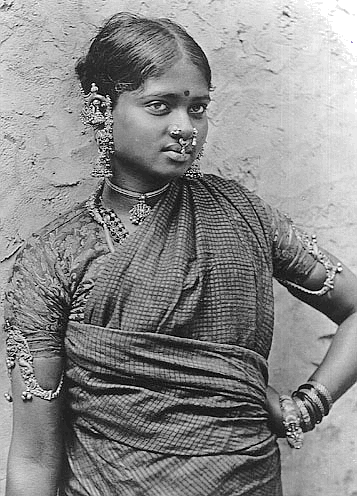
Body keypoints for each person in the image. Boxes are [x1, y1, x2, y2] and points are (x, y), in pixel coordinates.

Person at [3, 11, 357, 496]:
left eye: (197, 108)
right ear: (102, 108)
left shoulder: (243, 216)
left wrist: (309, 401)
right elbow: (34, 453)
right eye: (159, 105)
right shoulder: (54, 258)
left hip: (245, 482)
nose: (185, 127)